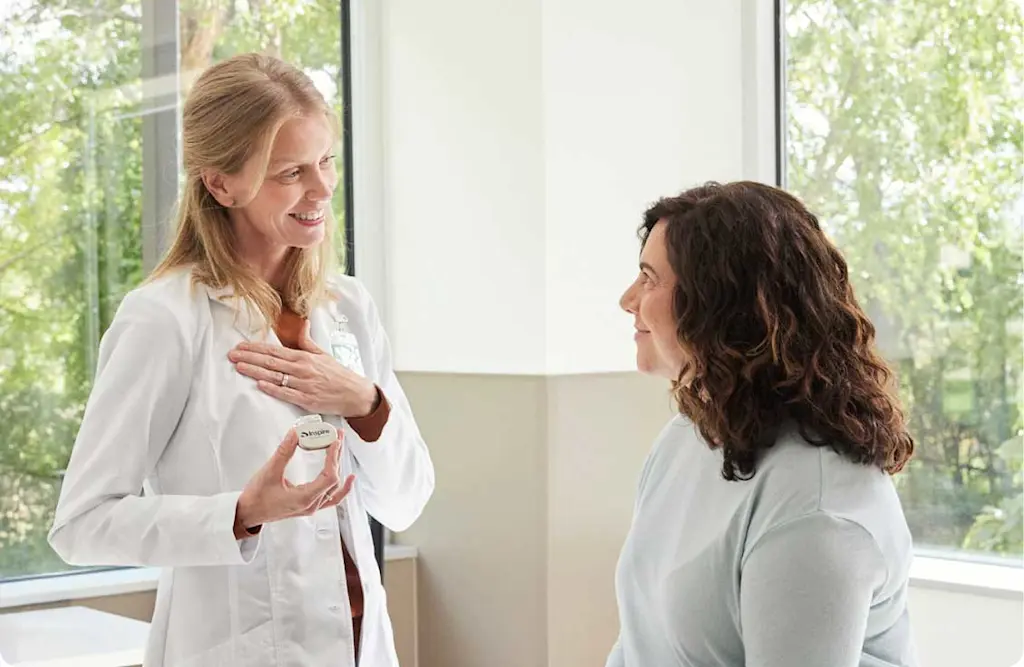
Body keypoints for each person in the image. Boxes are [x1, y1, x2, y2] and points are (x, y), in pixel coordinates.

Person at [48, 53, 434, 667]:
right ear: (221, 184)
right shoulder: (165, 319)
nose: (322, 188)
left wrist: (364, 402)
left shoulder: (349, 307)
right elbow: (81, 525)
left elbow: (404, 502)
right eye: (291, 172)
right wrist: (241, 513)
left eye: (326, 161)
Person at [608, 181, 918, 667]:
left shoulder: (816, 508)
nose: (627, 299)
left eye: (649, 279)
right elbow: (638, 644)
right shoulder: (687, 437)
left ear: (720, 304)